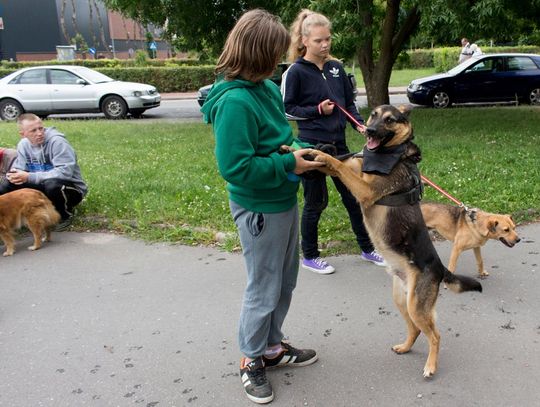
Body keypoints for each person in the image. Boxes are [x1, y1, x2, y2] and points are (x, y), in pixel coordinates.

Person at [200, 9, 322, 405]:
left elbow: (275, 139)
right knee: (263, 286)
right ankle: (250, 358)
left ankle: (271, 347)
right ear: (255, 54)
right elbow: (235, 167)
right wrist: (289, 162)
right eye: (273, 54)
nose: (278, 63)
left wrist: (293, 150)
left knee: (284, 281)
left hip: (284, 199)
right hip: (258, 208)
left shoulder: (266, 88)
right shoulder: (235, 102)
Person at [281, 9, 385, 275]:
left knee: (353, 198)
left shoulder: (336, 68)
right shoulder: (295, 72)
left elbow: (348, 103)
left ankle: (367, 248)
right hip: (312, 147)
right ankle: (311, 256)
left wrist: (360, 124)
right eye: (318, 40)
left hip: (339, 147)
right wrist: (317, 110)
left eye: (328, 39)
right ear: (304, 41)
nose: (325, 44)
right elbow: (287, 109)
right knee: (316, 203)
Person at [0, 113, 87, 230]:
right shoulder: (23, 145)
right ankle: (8, 220)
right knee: (6, 185)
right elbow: (19, 168)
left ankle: (65, 215)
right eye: (33, 131)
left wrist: (29, 177)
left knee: (52, 185)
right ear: (23, 134)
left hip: (70, 188)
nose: (39, 133)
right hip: (41, 186)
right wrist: (14, 175)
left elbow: (65, 173)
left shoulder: (57, 142)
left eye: (41, 128)